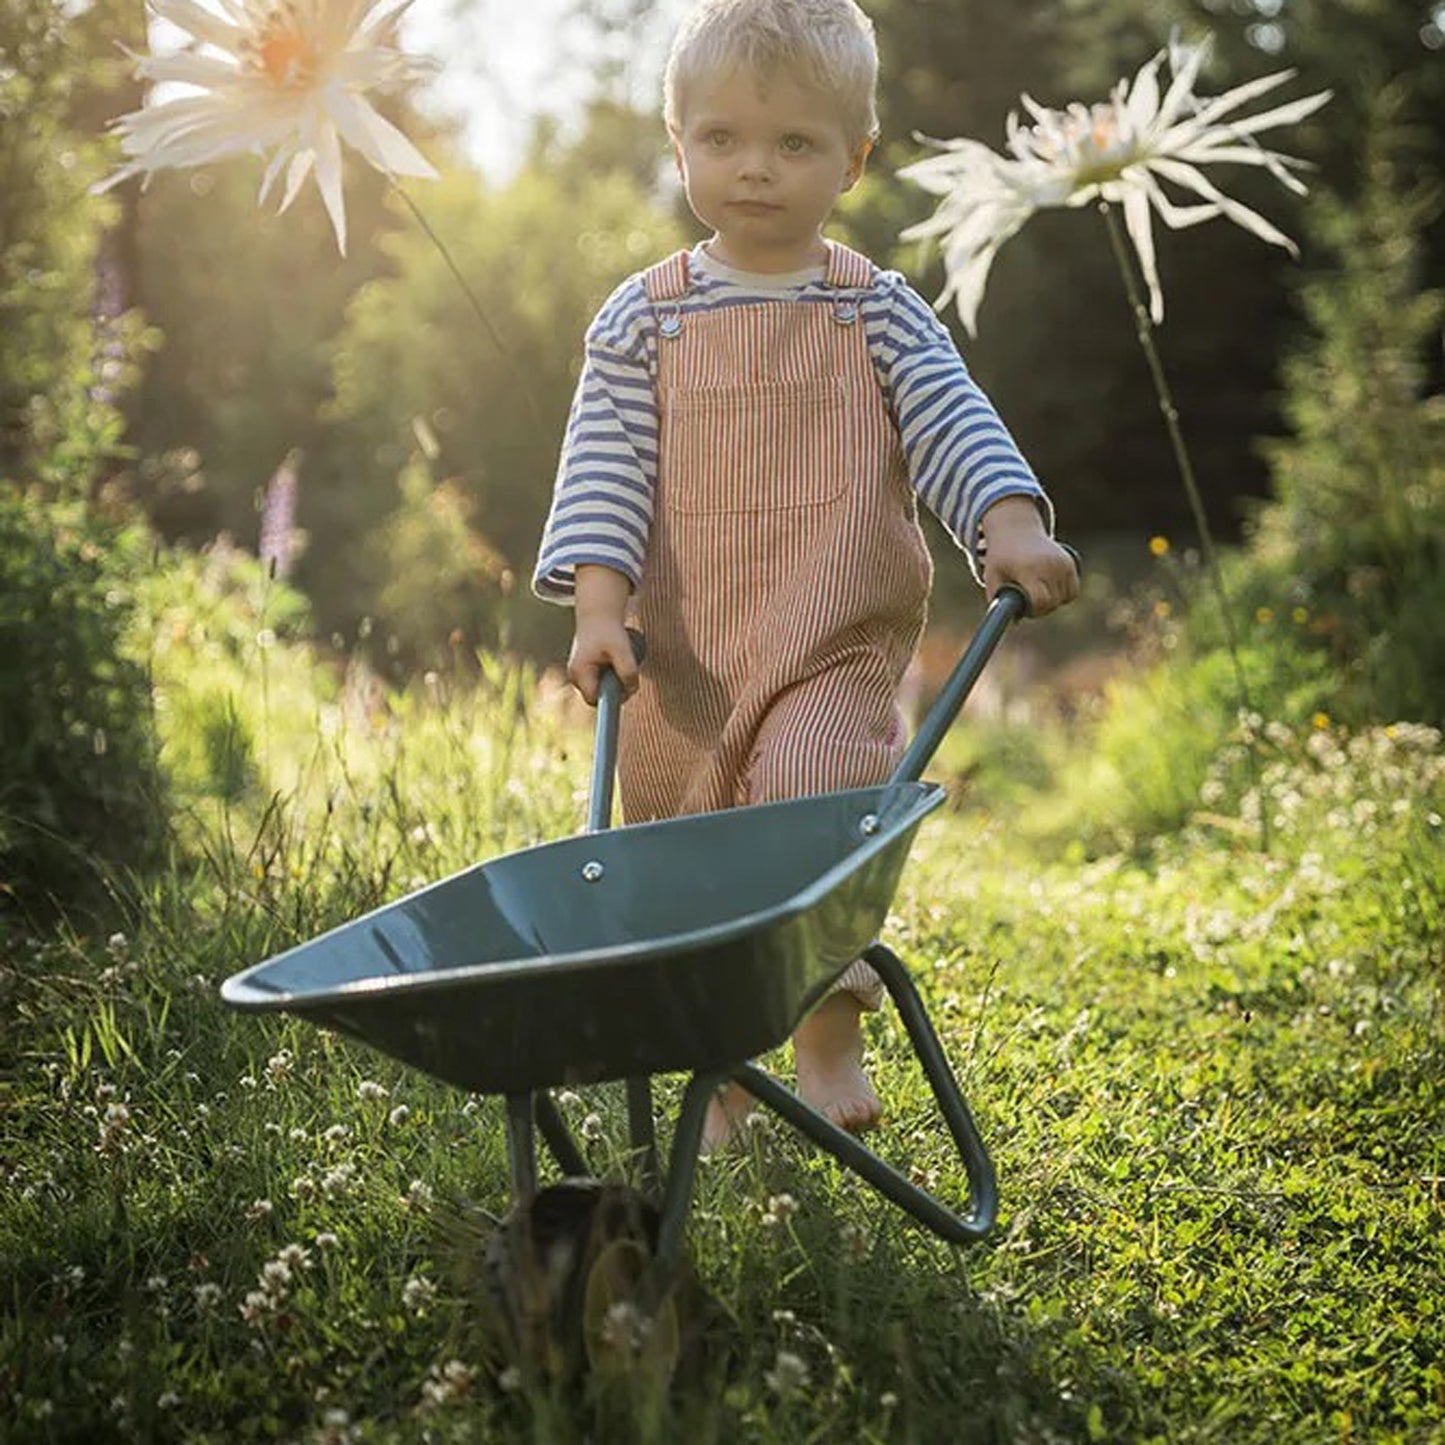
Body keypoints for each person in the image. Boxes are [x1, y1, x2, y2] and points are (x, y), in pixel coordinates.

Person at [533, 0, 1078, 1150]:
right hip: (678, 660)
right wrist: (596, 608)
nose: (754, 170)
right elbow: (603, 472)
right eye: (722, 139)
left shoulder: (875, 310)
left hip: (830, 636)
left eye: (793, 145)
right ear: (676, 143)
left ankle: (828, 1026)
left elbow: (951, 424)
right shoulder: (641, 321)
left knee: (815, 792)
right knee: (688, 860)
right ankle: (721, 1070)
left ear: (852, 159)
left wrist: (1008, 522)